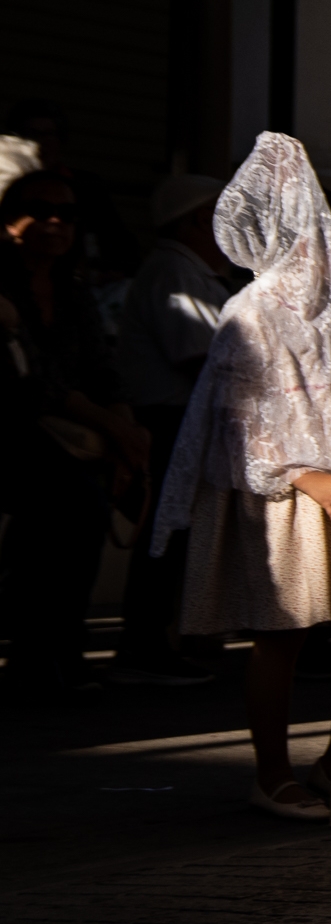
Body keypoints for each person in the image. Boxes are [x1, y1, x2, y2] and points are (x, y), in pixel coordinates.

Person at [150, 134, 331, 818]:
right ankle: (270, 771)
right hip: (289, 494)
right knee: (284, 632)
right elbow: (238, 423)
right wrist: (303, 476)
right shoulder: (252, 311)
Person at [0, 166, 145, 702]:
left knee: (80, 515)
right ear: (9, 219)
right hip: (19, 431)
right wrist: (109, 425)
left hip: (69, 437)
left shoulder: (74, 289)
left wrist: (126, 428)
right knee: (65, 505)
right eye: (40, 210)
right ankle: (37, 654)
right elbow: (31, 382)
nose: (55, 223)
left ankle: (58, 650)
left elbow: (102, 368)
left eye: (66, 214)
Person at [114, 170, 233, 686]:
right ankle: (143, 644)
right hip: (168, 422)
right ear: (196, 222)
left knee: (178, 533)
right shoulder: (173, 272)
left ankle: (166, 635)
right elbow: (200, 355)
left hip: (184, 422)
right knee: (164, 533)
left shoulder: (191, 273)